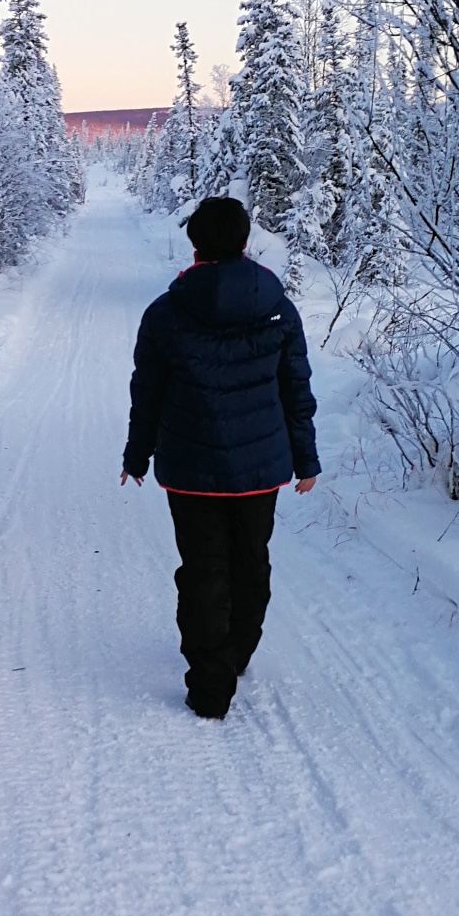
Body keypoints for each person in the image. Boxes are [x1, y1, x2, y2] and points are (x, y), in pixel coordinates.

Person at [121, 194, 320, 720]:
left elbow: (148, 392)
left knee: (204, 568)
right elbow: (294, 387)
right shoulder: (279, 306)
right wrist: (306, 460)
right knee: (250, 561)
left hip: (191, 469)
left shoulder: (165, 313)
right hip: (261, 468)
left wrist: (137, 455)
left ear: (194, 243)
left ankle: (211, 684)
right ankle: (235, 654)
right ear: (244, 240)